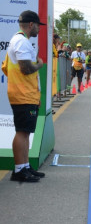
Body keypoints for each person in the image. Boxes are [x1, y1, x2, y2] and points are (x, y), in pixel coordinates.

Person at [5, 10, 45, 182]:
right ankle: (19, 169)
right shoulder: (21, 41)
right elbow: (26, 68)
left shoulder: (21, 40)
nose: (39, 29)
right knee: (22, 132)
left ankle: (25, 166)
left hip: (26, 94)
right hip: (23, 94)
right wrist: (40, 65)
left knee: (26, 132)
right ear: (31, 24)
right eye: (38, 25)